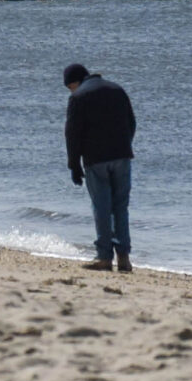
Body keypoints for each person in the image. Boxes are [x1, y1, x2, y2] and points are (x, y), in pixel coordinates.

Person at [63, 61, 137, 271]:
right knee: (121, 207)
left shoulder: (78, 97)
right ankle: (124, 257)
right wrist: (124, 145)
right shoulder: (117, 89)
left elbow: (72, 134)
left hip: (96, 160)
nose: (70, 90)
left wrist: (74, 165)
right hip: (122, 156)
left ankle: (104, 257)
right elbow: (131, 122)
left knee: (102, 207)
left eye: (69, 87)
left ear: (75, 82)